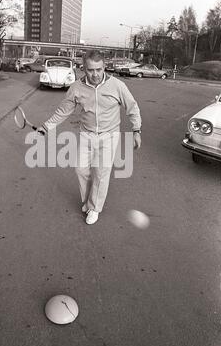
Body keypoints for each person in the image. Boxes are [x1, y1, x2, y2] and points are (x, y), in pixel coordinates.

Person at [37, 50, 142, 225]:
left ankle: (94, 208)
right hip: (86, 134)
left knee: (101, 174)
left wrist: (136, 130)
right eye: (91, 70)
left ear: (104, 67)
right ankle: (88, 201)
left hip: (109, 135)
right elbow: (64, 111)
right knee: (80, 170)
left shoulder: (117, 86)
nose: (95, 74)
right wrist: (46, 127)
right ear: (84, 68)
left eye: (99, 69)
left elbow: (132, 107)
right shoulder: (76, 87)